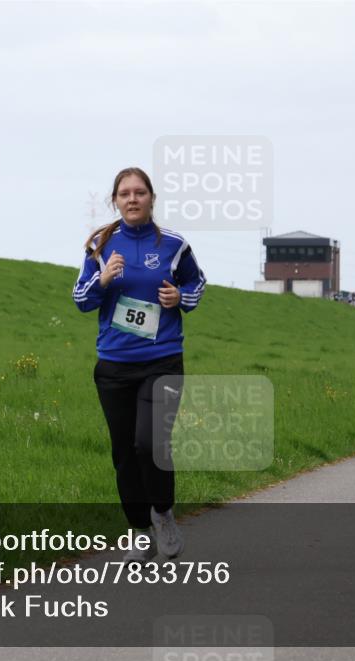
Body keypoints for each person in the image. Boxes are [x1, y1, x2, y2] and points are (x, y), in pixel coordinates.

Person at [73, 167, 206, 564]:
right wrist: (104, 280)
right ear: (115, 200)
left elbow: (197, 285)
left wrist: (179, 297)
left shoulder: (174, 245)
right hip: (114, 365)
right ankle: (139, 530)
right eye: (125, 193)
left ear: (152, 198)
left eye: (140, 192)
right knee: (124, 452)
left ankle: (162, 513)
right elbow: (81, 300)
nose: (132, 199)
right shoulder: (100, 244)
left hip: (161, 360)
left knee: (150, 443)